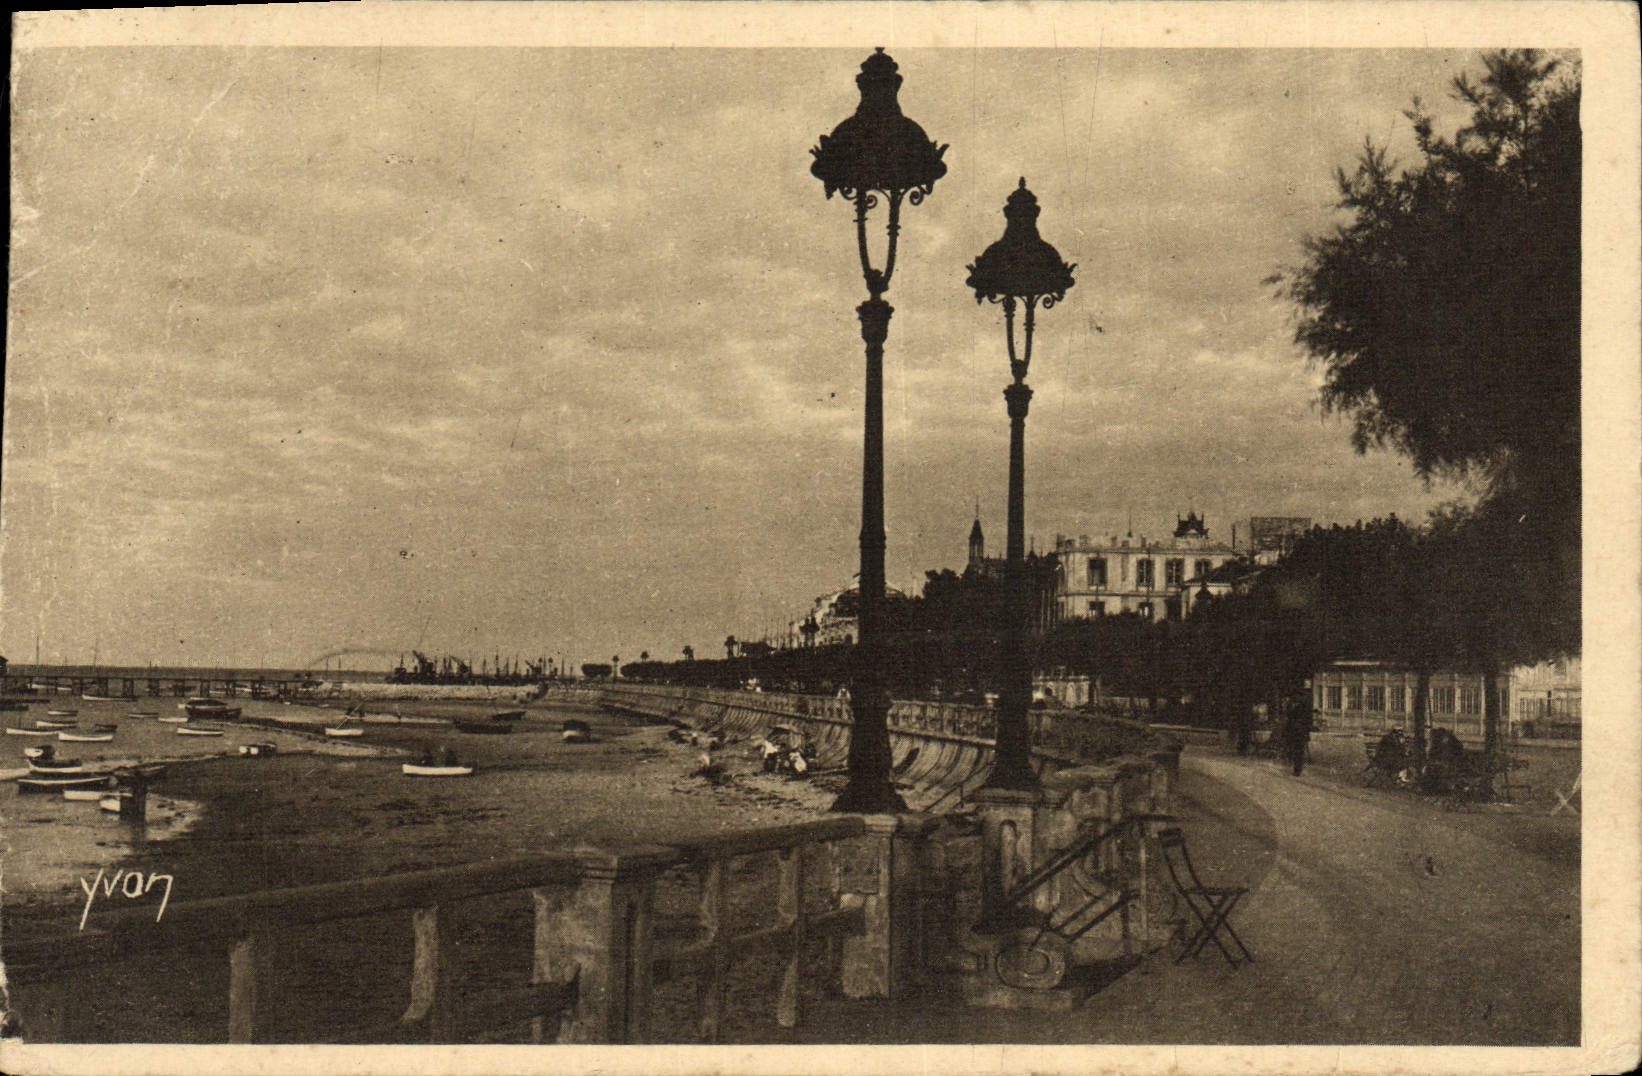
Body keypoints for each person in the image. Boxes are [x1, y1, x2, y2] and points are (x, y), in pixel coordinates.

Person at [1281, 691, 1313, 777]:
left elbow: (1307, 719)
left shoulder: (1298, 706)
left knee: (1298, 750)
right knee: (1296, 750)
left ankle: (1297, 769)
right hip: (1295, 731)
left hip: (1298, 731)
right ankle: (1296, 767)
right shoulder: (1292, 705)